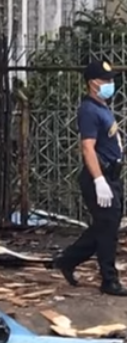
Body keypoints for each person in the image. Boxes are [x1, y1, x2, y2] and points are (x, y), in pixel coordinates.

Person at [52, 61, 126, 297]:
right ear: (93, 83)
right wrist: (98, 180)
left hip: (112, 176)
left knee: (105, 227)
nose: (110, 84)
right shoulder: (88, 110)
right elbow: (87, 148)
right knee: (107, 230)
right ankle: (108, 279)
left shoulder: (101, 106)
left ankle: (67, 260)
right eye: (105, 80)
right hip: (100, 177)